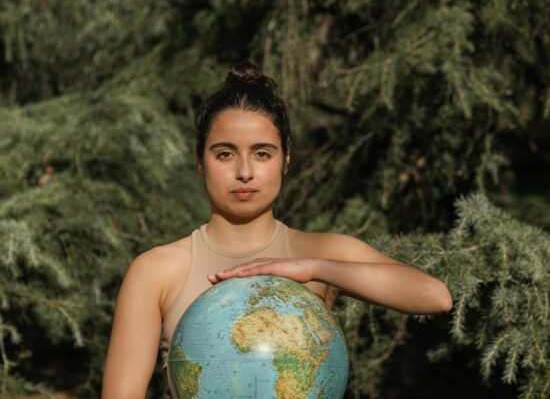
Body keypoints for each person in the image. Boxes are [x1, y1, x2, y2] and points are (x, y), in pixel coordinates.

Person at [101, 60, 453, 398]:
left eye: (262, 154)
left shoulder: (320, 252)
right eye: (224, 154)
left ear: (286, 159)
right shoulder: (155, 270)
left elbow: (435, 296)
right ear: (199, 160)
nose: (244, 172)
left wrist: (315, 268)